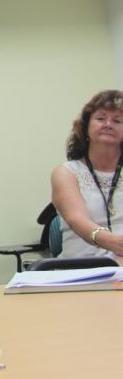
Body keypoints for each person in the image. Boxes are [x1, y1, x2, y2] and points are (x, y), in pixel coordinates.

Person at [51, 89, 123, 258]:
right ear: (86, 127)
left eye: (118, 120)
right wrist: (114, 243)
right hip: (82, 268)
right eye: (100, 118)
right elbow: (77, 219)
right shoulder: (66, 173)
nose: (108, 124)